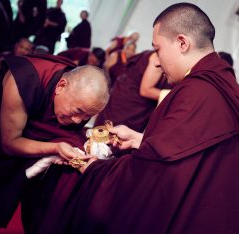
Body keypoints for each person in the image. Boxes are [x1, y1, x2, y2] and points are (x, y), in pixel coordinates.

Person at [35, 3, 239, 234]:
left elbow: (150, 174)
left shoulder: (197, 91)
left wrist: (94, 168)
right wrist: (141, 140)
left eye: (158, 49)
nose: (158, 61)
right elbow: (189, 153)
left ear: (182, 43)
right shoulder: (224, 85)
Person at [0, 53, 109, 233]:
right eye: (77, 111)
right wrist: (56, 147)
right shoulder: (24, 81)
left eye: (86, 117)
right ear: (61, 86)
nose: (77, 120)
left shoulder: (73, 100)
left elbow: (68, 133)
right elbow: (9, 143)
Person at [95, 50, 170, 132]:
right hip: (127, 107)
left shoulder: (151, 54)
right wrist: (174, 94)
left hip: (121, 98)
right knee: (110, 135)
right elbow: (146, 90)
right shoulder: (158, 57)